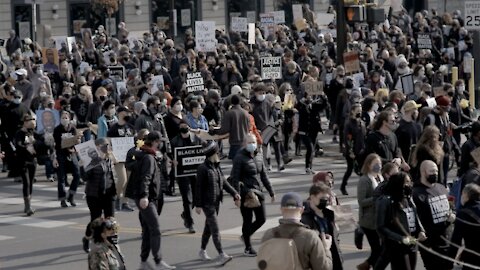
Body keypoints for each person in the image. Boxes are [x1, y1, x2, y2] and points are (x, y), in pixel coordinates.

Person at [132, 131, 176, 270]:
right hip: (146, 198)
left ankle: (143, 262)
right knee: (156, 229)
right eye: (159, 141)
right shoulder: (149, 158)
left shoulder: (148, 155)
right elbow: (146, 177)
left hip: (149, 197)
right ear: (155, 142)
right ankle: (158, 262)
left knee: (147, 230)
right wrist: (144, 196)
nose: (161, 144)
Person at [194, 140, 241, 266]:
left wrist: (234, 193)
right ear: (212, 154)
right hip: (207, 204)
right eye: (217, 152)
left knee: (208, 228)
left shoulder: (216, 166)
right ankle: (221, 254)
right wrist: (198, 205)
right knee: (215, 229)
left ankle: (202, 251)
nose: (219, 153)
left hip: (216, 203)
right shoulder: (202, 168)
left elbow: (224, 183)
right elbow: (198, 187)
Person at [260, 192, 333, 270]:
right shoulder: (310, 236)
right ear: (302, 210)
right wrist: (326, 249)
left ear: (281, 209)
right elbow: (323, 268)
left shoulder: (268, 235)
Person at [231, 133, 275, 256]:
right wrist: (236, 196)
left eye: (254, 142)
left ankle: (245, 236)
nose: (252, 144)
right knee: (247, 220)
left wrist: (271, 191)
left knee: (262, 219)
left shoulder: (259, 155)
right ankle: (247, 247)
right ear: (244, 144)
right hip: (246, 193)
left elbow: (264, 175)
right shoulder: (239, 157)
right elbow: (235, 178)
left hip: (258, 192)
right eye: (250, 142)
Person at [376, 172, 427, 270]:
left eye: (410, 182)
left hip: (412, 243)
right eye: (406, 182)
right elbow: (381, 227)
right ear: (399, 184)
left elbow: (415, 216)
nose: (410, 185)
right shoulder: (385, 201)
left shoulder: (408, 198)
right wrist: (401, 238)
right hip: (397, 246)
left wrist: (421, 230)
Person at [412, 160, 454, 270]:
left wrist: (452, 214)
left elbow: (451, 206)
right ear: (423, 172)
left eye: (436, 170)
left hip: (447, 241)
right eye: (431, 171)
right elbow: (414, 218)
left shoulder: (441, 188)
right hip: (430, 244)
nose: (435, 173)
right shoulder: (416, 193)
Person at [82, 138, 117, 254]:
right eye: (104, 145)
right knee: (95, 220)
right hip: (94, 194)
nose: (106, 148)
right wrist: (85, 165)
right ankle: (87, 238)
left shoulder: (110, 158)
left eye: (107, 145)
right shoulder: (91, 160)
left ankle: (109, 242)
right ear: (96, 147)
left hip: (108, 193)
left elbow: (113, 175)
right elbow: (85, 177)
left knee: (110, 219)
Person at [301, 184, 343, 270]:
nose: (325, 201)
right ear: (312, 197)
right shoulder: (305, 218)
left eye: (327, 199)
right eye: (322, 199)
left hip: (333, 259)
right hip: (317, 261)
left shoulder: (329, 214)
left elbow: (335, 236)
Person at [170, 121, 202, 233]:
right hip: (182, 173)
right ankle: (190, 223)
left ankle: (185, 214)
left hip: (195, 172)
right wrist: (172, 160)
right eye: (182, 127)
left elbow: (204, 148)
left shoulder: (196, 138)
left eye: (186, 126)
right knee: (187, 198)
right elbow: (169, 153)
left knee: (195, 196)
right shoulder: (174, 141)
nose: (184, 128)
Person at [356, 153, 383, 270]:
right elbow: (361, 201)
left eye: (380, 164)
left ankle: (365, 266)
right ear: (368, 165)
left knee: (380, 249)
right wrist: (376, 198)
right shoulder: (364, 180)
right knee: (378, 249)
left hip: (379, 219)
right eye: (375, 164)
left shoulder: (380, 178)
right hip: (368, 221)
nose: (378, 166)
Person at [107, 106, 135, 211]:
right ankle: (116, 197)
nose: (127, 114)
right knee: (122, 179)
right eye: (125, 112)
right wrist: (112, 156)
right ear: (119, 113)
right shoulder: (113, 128)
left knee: (128, 180)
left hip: (129, 157)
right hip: (118, 158)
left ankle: (125, 202)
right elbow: (108, 143)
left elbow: (135, 141)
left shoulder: (131, 127)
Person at [53, 111, 82, 207]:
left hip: (72, 154)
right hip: (61, 154)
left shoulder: (72, 128)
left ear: (69, 119)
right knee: (61, 178)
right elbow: (57, 143)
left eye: (66, 118)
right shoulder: (57, 130)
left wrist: (77, 141)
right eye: (63, 118)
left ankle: (71, 195)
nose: (64, 119)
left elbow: (76, 140)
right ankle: (62, 199)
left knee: (77, 174)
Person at [448, 183, 480, 270]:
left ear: (466, 195)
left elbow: (456, 241)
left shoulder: (463, 214)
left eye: (462, 194)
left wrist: (449, 262)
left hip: (473, 258)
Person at [14, 112, 38, 216]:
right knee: (26, 183)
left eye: (33, 120)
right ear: (25, 122)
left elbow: (40, 142)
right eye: (29, 120)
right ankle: (27, 206)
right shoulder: (20, 133)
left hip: (32, 161)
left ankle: (28, 205)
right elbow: (18, 145)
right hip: (22, 161)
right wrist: (26, 147)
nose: (32, 122)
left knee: (31, 182)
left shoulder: (33, 132)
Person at [342, 103, 366, 195]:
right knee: (350, 169)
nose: (360, 111)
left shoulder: (361, 122)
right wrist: (350, 151)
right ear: (352, 111)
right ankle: (343, 186)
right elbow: (348, 139)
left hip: (361, 150)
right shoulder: (349, 124)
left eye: (360, 109)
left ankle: (363, 189)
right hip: (352, 151)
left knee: (362, 170)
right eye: (358, 110)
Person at [216, 94, 250, 159]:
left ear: (231, 102)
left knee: (236, 165)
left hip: (235, 143)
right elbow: (249, 127)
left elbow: (225, 129)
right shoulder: (246, 113)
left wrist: (215, 132)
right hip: (245, 142)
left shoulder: (229, 113)